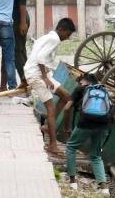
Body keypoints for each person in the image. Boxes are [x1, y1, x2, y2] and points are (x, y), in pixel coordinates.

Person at [24, 17, 75, 155]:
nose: (68, 37)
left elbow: (35, 57)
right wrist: (45, 78)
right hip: (37, 76)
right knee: (51, 108)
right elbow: (40, 58)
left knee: (67, 97)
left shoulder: (46, 37)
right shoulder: (54, 39)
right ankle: (52, 145)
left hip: (41, 73)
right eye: (68, 34)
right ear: (61, 30)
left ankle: (47, 126)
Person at [64, 73, 110, 196]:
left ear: (84, 81)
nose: (80, 83)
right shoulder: (103, 89)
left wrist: (67, 127)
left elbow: (67, 108)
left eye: (80, 81)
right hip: (103, 125)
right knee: (96, 155)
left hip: (85, 124)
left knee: (71, 147)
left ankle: (73, 182)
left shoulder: (80, 89)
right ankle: (104, 188)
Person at [0, 0, 29, 92]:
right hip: (15, 17)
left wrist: (22, 22)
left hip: (19, 18)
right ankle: (27, 79)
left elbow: (22, 1)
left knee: (17, 51)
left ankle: (26, 80)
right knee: (20, 50)